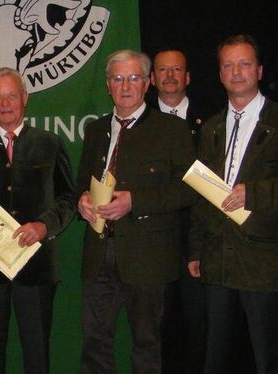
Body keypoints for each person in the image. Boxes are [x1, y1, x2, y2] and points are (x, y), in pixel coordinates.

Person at [76, 50, 195, 373]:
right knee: (95, 343)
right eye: (117, 79)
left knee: (147, 345)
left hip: (148, 257)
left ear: (147, 84)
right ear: (107, 85)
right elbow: (80, 185)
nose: (125, 86)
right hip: (99, 253)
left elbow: (188, 190)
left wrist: (135, 201)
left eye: (133, 78)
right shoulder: (96, 131)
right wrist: (82, 201)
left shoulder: (172, 130)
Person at [189, 34, 278, 374]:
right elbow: (200, 193)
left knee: (270, 358)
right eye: (228, 65)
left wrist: (254, 193)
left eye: (245, 64)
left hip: (264, 260)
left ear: (260, 71)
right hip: (218, 257)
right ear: (220, 74)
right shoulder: (208, 129)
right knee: (214, 358)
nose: (236, 72)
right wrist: (195, 250)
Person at [0, 67, 77, 374]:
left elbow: (68, 199)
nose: (5, 103)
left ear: (25, 98)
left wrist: (45, 225)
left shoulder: (50, 143)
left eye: (12, 95)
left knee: (37, 353)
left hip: (36, 267)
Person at [150, 48, 207, 374]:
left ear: (188, 77)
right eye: (162, 70)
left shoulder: (213, 122)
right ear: (152, 78)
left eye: (176, 70)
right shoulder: (138, 122)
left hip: (197, 242)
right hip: (153, 242)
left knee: (198, 325)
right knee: (157, 331)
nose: (169, 76)